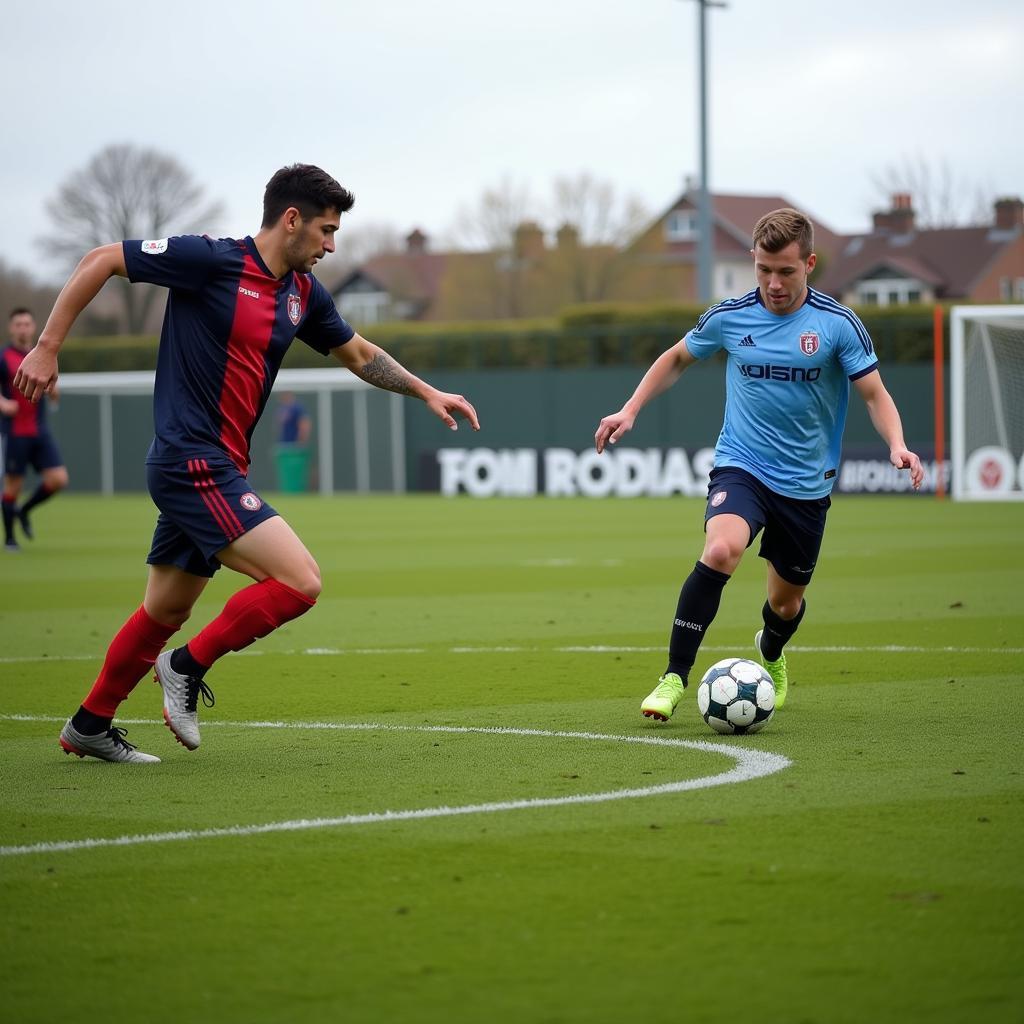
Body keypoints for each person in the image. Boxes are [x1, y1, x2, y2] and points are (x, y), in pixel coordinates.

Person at [14, 163, 480, 764]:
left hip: (223, 465)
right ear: (292, 220)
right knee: (299, 581)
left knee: (167, 608)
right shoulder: (211, 261)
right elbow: (101, 258)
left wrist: (427, 392)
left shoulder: (302, 294)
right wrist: (48, 347)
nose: (332, 246)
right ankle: (184, 667)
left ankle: (89, 723)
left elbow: (360, 353)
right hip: (191, 462)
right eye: (326, 231)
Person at [594, 208, 923, 723]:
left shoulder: (837, 325)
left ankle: (770, 652)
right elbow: (677, 357)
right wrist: (630, 409)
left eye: (786, 271)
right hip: (741, 464)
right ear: (753, 262)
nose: (773, 283)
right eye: (764, 270)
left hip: (806, 484)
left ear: (809, 263)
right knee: (722, 549)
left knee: (786, 604)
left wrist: (897, 444)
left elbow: (875, 395)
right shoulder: (729, 316)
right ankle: (674, 677)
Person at [0, 308, 70, 550]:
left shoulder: (42, 356)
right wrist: (3, 402)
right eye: (18, 324)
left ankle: (24, 511)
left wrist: (53, 391)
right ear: (11, 328)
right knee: (13, 486)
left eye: (27, 323)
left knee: (58, 479)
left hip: (40, 431)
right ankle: (9, 539)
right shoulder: (4, 356)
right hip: (15, 431)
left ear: (33, 327)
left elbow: (53, 391)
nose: (23, 328)